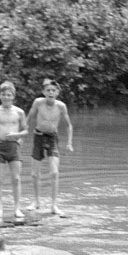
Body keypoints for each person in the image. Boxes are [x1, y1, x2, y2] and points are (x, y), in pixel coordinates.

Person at [26, 79, 73, 215]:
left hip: (52, 138)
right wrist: (21, 135)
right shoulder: (38, 103)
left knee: (54, 172)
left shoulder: (61, 106)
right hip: (38, 136)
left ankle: (54, 205)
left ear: (57, 92)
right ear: (43, 92)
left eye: (53, 90)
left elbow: (69, 125)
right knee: (35, 173)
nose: (50, 93)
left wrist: (69, 143)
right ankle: (36, 201)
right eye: (48, 90)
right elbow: (28, 119)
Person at [0, 80, 28, 222]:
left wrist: (18, 138)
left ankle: (17, 208)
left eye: (9, 95)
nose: (6, 97)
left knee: (16, 178)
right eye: (4, 94)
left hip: (14, 147)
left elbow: (25, 131)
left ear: (13, 96)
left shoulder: (19, 112)